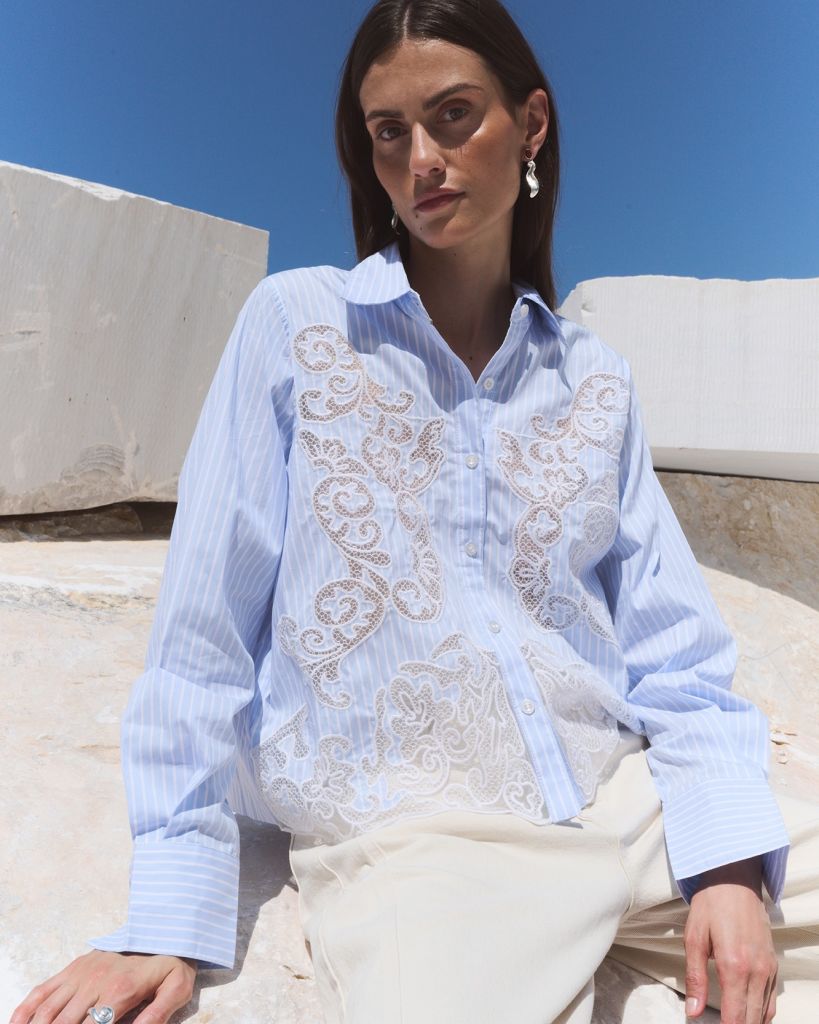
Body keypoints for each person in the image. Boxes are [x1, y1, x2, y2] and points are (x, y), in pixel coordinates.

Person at [13, 1, 819, 1023]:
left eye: (453, 115)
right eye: (388, 132)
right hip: (421, 842)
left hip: (625, 805)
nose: (421, 159)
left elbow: (673, 645)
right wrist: (169, 915)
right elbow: (202, 636)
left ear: (531, 125)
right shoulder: (297, 327)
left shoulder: (593, 378)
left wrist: (729, 866)